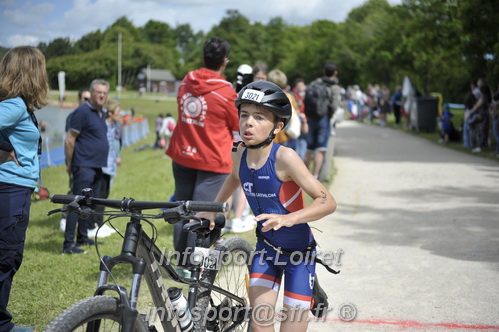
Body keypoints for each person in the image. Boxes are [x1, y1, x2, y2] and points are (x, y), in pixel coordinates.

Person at [198, 81, 337, 331]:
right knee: (259, 324)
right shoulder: (240, 152)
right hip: (266, 250)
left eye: (259, 117)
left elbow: (327, 201)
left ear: (277, 126)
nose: (248, 123)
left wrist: (289, 218)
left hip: (299, 256)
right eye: (244, 115)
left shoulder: (285, 158)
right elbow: (234, 177)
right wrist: (214, 207)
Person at [165, 37, 239, 275]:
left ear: (203, 58)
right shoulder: (226, 92)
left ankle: (182, 263)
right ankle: (194, 266)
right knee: (204, 213)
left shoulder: (186, 81)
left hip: (183, 154)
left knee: (183, 209)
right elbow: (237, 127)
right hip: (212, 159)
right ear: (224, 62)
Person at [0, 45, 48, 332]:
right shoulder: (13, 106)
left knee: (11, 255)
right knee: (5, 255)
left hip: (17, 189)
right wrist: (4, 148)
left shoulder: (18, 105)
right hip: (10, 189)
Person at [63, 79, 110, 254]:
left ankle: (82, 237)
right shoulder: (82, 112)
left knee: (88, 204)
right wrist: (70, 164)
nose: (102, 96)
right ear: (91, 93)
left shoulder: (102, 113)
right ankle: (68, 244)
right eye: (99, 92)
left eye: (105, 93)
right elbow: (70, 139)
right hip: (83, 165)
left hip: (97, 166)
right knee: (76, 204)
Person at [88, 99, 122, 238]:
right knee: (99, 197)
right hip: (102, 166)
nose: (120, 115)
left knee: (105, 195)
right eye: (118, 113)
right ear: (110, 113)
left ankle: (99, 223)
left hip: (110, 167)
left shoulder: (113, 126)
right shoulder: (104, 126)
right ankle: (93, 225)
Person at [60, 88, 92, 232]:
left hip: (87, 162)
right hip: (76, 161)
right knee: (74, 191)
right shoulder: (74, 116)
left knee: (84, 193)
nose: (87, 102)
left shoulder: (91, 115)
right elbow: (70, 140)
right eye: (85, 99)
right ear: (79, 99)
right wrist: (70, 163)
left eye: (89, 99)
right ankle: (64, 218)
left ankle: (82, 224)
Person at [305, 62, 341, 178]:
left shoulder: (316, 83)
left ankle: (304, 175)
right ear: (335, 73)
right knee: (320, 149)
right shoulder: (334, 87)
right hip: (324, 119)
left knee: (309, 148)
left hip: (312, 118)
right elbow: (335, 105)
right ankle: (314, 176)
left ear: (324, 72)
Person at [469, 78, 492, 153]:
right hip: (486, 114)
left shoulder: (483, 97)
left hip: (482, 115)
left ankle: (480, 146)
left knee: (481, 130)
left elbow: (477, 106)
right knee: (485, 130)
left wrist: (471, 112)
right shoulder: (487, 96)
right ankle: (483, 146)